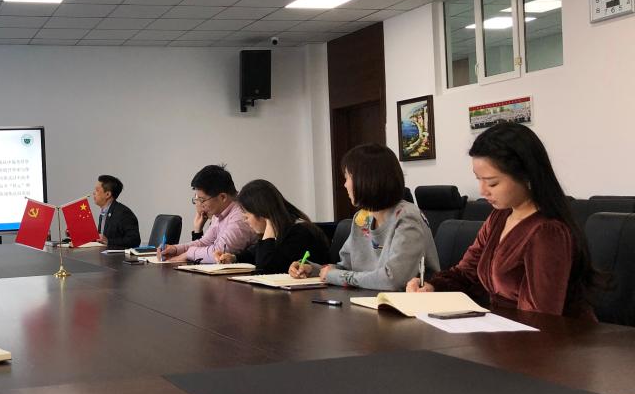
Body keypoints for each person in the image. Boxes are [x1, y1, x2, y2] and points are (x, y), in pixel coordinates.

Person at [406, 123, 596, 319]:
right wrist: (432, 286)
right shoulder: (500, 217)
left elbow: (541, 317)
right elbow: (467, 273)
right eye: (478, 179)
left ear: (526, 176)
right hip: (504, 328)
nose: (482, 191)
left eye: (492, 183)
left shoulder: (548, 232)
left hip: (551, 335)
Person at [290, 144, 439, 289]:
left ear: (366, 179)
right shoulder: (362, 219)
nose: (345, 185)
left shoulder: (407, 217)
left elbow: (393, 279)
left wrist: (334, 276)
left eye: (347, 177)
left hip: (406, 303)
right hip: (366, 299)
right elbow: (346, 267)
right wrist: (313, 270)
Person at [215, 179, 330, 273]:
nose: (245, 221)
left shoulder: (299, 233)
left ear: (261, 213)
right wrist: (233, 258)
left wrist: (269, 227)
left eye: (246, 216)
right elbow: (254, 253)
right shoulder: (283, 228)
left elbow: (265, 268)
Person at [159, 165, 257, 263]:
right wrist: (175, 249)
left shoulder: (241, 216)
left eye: (202, 200)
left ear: (222, 197)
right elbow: (204, 242)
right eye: (197, 200)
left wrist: (188, 254)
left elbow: (219, 253)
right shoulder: (219, 215)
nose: (200, 205)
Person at [93, 174, 141, 250]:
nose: (94, 193)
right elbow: (102, 239)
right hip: (104, 255)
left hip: (118, 256)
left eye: (97, 190)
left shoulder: (124, 213)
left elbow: (134, 240)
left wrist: (109, 241)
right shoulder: (104, 212)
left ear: (107, 194)